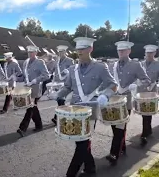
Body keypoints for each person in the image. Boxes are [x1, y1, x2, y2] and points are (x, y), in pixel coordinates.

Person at [50, 37, 118, 177]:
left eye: (83, 49)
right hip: (75, 109)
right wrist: (58, 94)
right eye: (78, 49)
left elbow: (113, 85)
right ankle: (90, 167)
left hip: (90, 111)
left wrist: (105, 95)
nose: (79, 52)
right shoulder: (72, 68)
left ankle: (71, 173)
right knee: (80, 141)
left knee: (82, 143)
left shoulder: (100, 67)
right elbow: (68, 87)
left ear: (90, 49)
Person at [106, 41, 151, 165]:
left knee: (120, 127)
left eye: (124, 50)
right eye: (119, 50)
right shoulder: (112, 65)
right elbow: (108, 81)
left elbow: (146, 80)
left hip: (126, 101)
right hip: (113, 102)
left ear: (129, 51)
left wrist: (136, 85)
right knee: (115, 127)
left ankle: (114, 154)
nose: (121, 52)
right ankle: (122, 146)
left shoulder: (135, 65)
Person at [16, 45, 49, 137]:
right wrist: (16, 78)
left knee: (30, 107)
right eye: (29, 52)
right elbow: (23, 76)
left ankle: (22, 128)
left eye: (32, 52)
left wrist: (35, 80)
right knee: (33, 107)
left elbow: (46, 75)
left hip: (35, 88)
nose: (30, 54)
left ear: (36, 53)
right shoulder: (25, 62)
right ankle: (39, 125)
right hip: (27, 88)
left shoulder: (40, 62)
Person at [137, 44, 159, 146]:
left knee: (148, 111)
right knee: (144, 112)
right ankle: (147, 130)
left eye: (151, 53)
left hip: (152, 91)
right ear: (145, 53)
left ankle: (145, 132)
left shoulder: (157, 64)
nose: (149, 55)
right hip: (142, 91)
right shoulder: (140, 64)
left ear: (155, 53)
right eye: (147, 53)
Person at [51, 45, 74, 125]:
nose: (60, 53)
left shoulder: (70, 60)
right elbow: (54, 71)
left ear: (65, 52)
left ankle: (58, 118)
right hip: (57, 84)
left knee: (61, 101)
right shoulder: (57, 61)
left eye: (62, 51)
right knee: (59, 101)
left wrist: (67, 71)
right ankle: (61, 117)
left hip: (65, 84)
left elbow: (72, 70)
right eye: (59, 52)